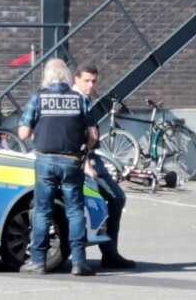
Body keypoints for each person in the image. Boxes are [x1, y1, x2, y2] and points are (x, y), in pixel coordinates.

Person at [18, 58, 98, 277]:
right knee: (75, 210)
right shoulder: (79, 100)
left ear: (47, 76)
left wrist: (38, 131)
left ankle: (38, 261)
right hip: (72, 160)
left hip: (45, 160)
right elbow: (93, 136)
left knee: (43, 210)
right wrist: (84, 151)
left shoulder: (38, 98)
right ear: (68, 77)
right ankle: (79, 262)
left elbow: (23, 133)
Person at [73, 65, 136, 269]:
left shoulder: (84, 99)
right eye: (87, 81)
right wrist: (86, 162)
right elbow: (77, 134)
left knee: (111, 199)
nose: (91, 85)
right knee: (114, 198)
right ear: (76, 79)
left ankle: (108, 251)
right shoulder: (76, 100)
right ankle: (104, 253)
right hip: (84, 159)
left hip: (91, 157)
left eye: (94, 81)